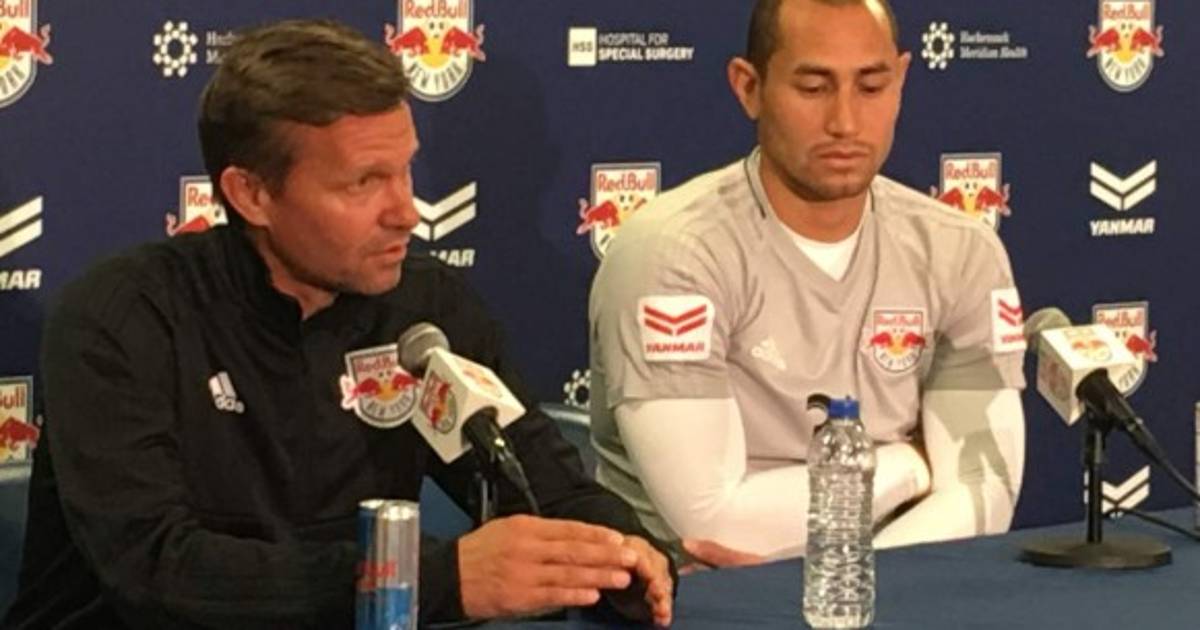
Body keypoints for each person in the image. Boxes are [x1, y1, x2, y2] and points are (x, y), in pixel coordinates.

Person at [5, 19, 672, 629]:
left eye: (406, 170)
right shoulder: (123, 318)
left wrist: (623, 553)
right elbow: (156, 572)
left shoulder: (426, 308)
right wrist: (435, 580)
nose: (406, 212)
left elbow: (540, 484)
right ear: (252, 195)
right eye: (364, 183)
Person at [588, 0, 1027, 566]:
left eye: (871, 87)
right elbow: (713, 522)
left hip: (904, 587)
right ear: (749, 88)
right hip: (704, 598)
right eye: (814, 88)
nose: (845, 121)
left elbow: (983, 490)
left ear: (900, 83)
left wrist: (847, 584)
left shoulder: (960, 251)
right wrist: (911, 465)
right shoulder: (675, 255)